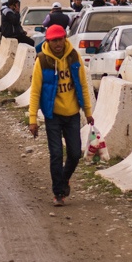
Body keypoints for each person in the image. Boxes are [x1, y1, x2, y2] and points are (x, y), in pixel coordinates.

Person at [27, 24, 95, 206]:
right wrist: (32, 119)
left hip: (72, 113)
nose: (58, 43)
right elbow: (35, 91)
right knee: (56, 154)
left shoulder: (74, 57)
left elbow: (83, 85)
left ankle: (64, 179)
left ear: (65, 38)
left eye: (60, 39)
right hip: (53, 115)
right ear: (48, 41)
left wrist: (88, 112)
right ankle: (58, 193)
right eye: (54, 40)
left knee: (74, 154)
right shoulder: (42, 61)